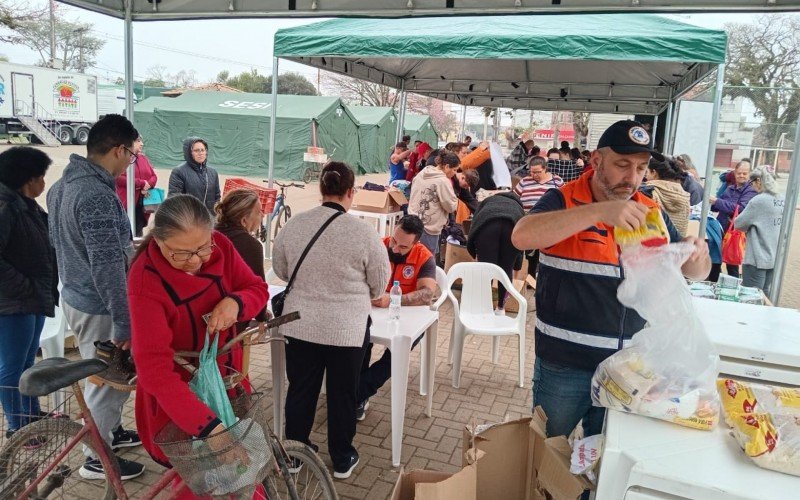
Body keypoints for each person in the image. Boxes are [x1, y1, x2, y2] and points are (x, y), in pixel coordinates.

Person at [511, 120, 711, 440]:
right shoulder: (562, 199)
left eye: (641, 168)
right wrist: (598, 212)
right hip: (565, 365)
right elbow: (521, 236)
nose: (632, 177)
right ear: (596, 161)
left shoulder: (649, 211)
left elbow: (689, 269)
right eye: (622, 165)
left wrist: (698, 261)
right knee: (546, 450)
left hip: (627, 370)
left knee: (603, 464)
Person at [128, 195, 268, 492]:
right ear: (158, 241)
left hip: (226, 381)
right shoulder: (145, 279)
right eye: (181, 253)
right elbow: (154, 370)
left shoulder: (222, 247)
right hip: (181, 399)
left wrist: (236, 302)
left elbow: (257, 288)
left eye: (202, 248)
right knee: (199, 484)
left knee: (243, 472)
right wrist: (207, 427)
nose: (195, 261)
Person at [272, 162, 389, 480]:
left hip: (299, 324)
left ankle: (294, 457)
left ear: (321, 189)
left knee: (301, 391)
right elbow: (379, 285)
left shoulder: (295, 224)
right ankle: (341, 458)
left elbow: (281, 270)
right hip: (346, 331)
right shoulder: (364, 232)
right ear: (351, 192)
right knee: (343, 394)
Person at [47, 114, 145, 480]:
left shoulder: (63, 185)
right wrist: (123, 321)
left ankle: (110, 433)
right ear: (118, 150)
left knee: (105, 375)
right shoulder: (96, 196)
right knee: (107, 380)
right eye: (132, 155)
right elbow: (106, 266)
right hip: (100, 304)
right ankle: (95, 458)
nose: (130, 163)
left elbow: (61, 243)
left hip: (76, 294)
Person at [0, 147, 58, 440]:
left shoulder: (26, 205)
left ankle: (31, 413)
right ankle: (17, 426)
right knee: (11, 368)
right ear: (27, 179)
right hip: (14, 304)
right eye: (41, 177)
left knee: (26, 362)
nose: (43, 184)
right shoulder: (6, 207)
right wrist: (24, 286)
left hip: (32, 299)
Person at [357, 215, 437, 420]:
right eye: (394, 241)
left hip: (408, 318)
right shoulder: (378, 245)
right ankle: (355, 396)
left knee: (394, 355)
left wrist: (393, 300)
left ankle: (358, 392)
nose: (394, 249)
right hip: (371, 312)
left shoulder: (424, 256)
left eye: (403, 247)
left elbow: (428, 294)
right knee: (361, 342)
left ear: (416, 243)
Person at [214, 189, 270, 332]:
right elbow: (258, 290)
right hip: (231, 322)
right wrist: (262, 316)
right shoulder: (250, 246)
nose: (262, 215)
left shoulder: (207, 234)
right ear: (244, 220)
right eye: (258, 212)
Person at [467, 192, 525, 313]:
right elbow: (521, 244)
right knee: (506, 270)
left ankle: (484, 307)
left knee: (486, 269)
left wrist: (472, 250)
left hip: (487, 227)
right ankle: (501, 308)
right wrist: (516, 265)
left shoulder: (488, 201)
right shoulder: (519, 208)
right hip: (511, 228)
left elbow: (475, 223)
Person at [734, 166, 784, 295]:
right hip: (774, 257)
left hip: (757, 257)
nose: (751, 187)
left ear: (758, 181)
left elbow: (739, 223)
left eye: (751, 183)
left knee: (750, 296)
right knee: (765, 294)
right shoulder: (782, 199)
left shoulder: (759, 201)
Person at [710, 159, 757, 278]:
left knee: (732, 262)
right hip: (722, 227)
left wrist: (717, 201)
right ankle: (715, 282)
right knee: (715, 259)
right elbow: (718, 206)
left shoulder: (751, 190)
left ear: (749, 174)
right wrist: (712, 203)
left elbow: (740, 209)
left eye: (744, 173)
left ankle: (733, 285)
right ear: (734, 173)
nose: (741, 175)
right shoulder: (730, 188)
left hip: (735, 230)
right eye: (739, 173)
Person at [408, 151, 459, 256]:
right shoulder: (442, 181)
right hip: (429, 227)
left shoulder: (422, 174)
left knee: (411, 255)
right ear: (447, 166)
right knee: (426, 259)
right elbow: (451, 206)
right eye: (454, 170)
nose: (455, 173)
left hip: (412, 221)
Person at [115, 133, 158, 236]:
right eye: (138, 141)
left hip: (143, 203)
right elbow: (117, 177)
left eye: (141, 141)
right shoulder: (120, 159)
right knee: (125, 232)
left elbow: (154, 176)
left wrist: (148, 185)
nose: (142, 144)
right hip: (126, 203)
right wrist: (141, 183)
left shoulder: (143, 158)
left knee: (138, 231)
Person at [168, 137, 221, 213]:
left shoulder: (213, 172)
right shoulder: (179, 172)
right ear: (189, 152)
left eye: (203, 150)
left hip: (209, 219)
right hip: (190, 220)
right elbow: (174, 200)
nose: (200, 153)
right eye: (196, 150)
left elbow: (217, 197)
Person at [641, 158, 690, 237]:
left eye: (647, 172)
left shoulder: (648, 191)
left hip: (654, 244)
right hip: (677, 246)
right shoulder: (685, 196)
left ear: (654, 173)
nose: (645, 176)